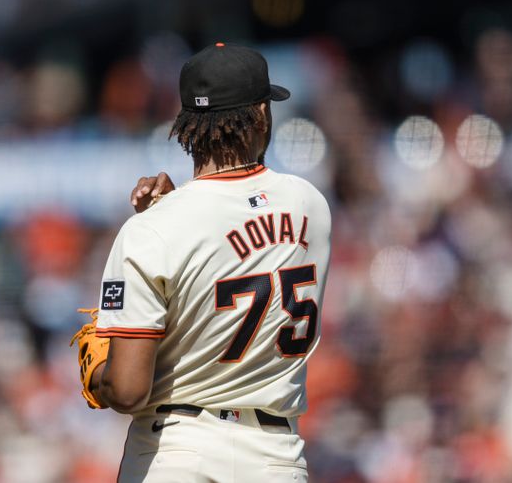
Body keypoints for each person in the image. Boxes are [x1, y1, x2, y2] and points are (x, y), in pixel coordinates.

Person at [78, 43, 331, 482]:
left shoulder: (153, 231)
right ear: (261, 117)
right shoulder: (310, 205)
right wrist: (174, 207)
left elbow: (129, 390)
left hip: (177, 452)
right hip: (275, 455)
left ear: (186, 127)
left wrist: (98, 376)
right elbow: (239, 227)